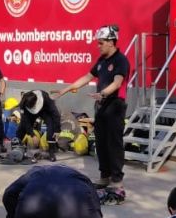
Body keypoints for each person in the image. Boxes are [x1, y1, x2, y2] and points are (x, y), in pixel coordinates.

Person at [52, 25, 129, 191]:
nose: (98, 46)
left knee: (114, 144)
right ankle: (104, 177)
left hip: (115, 106)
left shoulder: (120, 60)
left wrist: (103, 93)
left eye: (101, 43)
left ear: (111, 42)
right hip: (101, 106)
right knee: (101, 143)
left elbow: (117, 83)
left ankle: (117, 180)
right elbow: (87, 77)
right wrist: (66, 89)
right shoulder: (101, 61)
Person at [15, 90, 61, 161]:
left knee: (51, 125)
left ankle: (51, 151)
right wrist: (32, 135)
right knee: (22, 126)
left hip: (44, 111)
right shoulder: (23, 104)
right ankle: (16, 148)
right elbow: (25, 121)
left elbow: (55, 114)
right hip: (30, 114)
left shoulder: (46, 98)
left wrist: (57, 130)